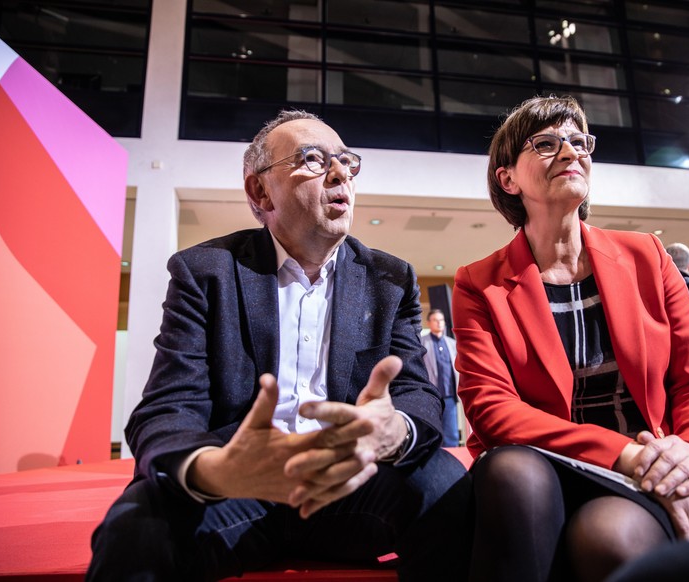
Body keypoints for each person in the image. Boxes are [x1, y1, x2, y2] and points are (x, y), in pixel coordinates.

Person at [87, 110, 470, 581]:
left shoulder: (389, 279)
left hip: (350, 482)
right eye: (313, 159)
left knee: (447, 488)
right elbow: (167, 408)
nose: (339, 173)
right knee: (135, 527)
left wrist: (391, 430)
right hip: (237, 485)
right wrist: (214, 471)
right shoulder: (204, 272)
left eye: (346, 162)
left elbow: (417, 395)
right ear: (260, 192)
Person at [452, 95, 689, 582]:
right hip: (551, 467)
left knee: (609, 536)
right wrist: (623, 452)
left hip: (648, 471)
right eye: (546, 143)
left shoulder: (648, 255)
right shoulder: (479, 282)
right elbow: (492, 409)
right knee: (511, 471)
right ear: (508, 179)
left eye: (580, 142)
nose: (570, 152)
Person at [420, 308, 461, 447]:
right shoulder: (422, 343)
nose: (439, 323)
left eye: (441, 320)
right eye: (435, 320)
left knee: (452, 435)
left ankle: (452, 464)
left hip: (449, 396)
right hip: (431, 397)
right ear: (429, 322)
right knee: (431, 434)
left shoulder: (452, 343)